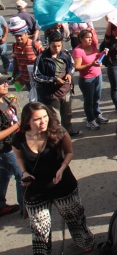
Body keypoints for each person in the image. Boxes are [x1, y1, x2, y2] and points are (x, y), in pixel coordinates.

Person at [12, 102, 94, 254]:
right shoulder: (19, 138)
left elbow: (69, 152)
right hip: (36, 189)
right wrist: (24, 173)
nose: (43, 122)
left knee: (74, 216)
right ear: (27, 121)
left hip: (62, 184)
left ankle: (84, 240)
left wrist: (62, 168)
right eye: (37, 119)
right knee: (39, 227)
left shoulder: (58, 132)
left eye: (45, 117)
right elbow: (18, 158)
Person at [32, 31, 79, 137]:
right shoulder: (41, 58)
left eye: (59, 46)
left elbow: (72, 66)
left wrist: (69, 74)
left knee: (67, 114)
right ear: (49, 44)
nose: (57, 48)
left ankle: (68, 132)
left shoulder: (65, 54)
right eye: (54, 46)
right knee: (55, 118)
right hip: (51, 94)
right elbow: (36, 76)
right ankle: (58, 137)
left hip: (66, 91)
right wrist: (53, 79)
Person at [72, 29, 109, 130]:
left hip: (98, 75)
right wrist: (91, 64)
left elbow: (96, 57)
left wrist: (102, 54)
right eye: (87, 38)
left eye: (90, 37)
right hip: (87, 79)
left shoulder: (93, 46)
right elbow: (77, 67)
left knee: (97, 98)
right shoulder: (78, 51)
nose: (90, 39)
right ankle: (90, 120)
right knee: (89, 101)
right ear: (81, 39)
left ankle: (97, 115)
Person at [0, 75, 22, 217]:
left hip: (12, 144)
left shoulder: (5, 99)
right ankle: (26, 207)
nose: (6, 85)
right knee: (21, 175)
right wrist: (17, 125)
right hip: (5, 148)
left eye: (5, 82)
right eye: (2, 84)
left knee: (3, 174)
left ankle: (0, 206)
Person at [9, 17, 43, 91]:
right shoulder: (14, 46)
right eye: (16, 36)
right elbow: (15, 61)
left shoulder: (35, 45)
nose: (18, 38)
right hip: (25, 79)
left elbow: (45, 60)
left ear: (26, 34)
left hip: (37, 79)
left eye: (20, 35)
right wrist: (13, 75)